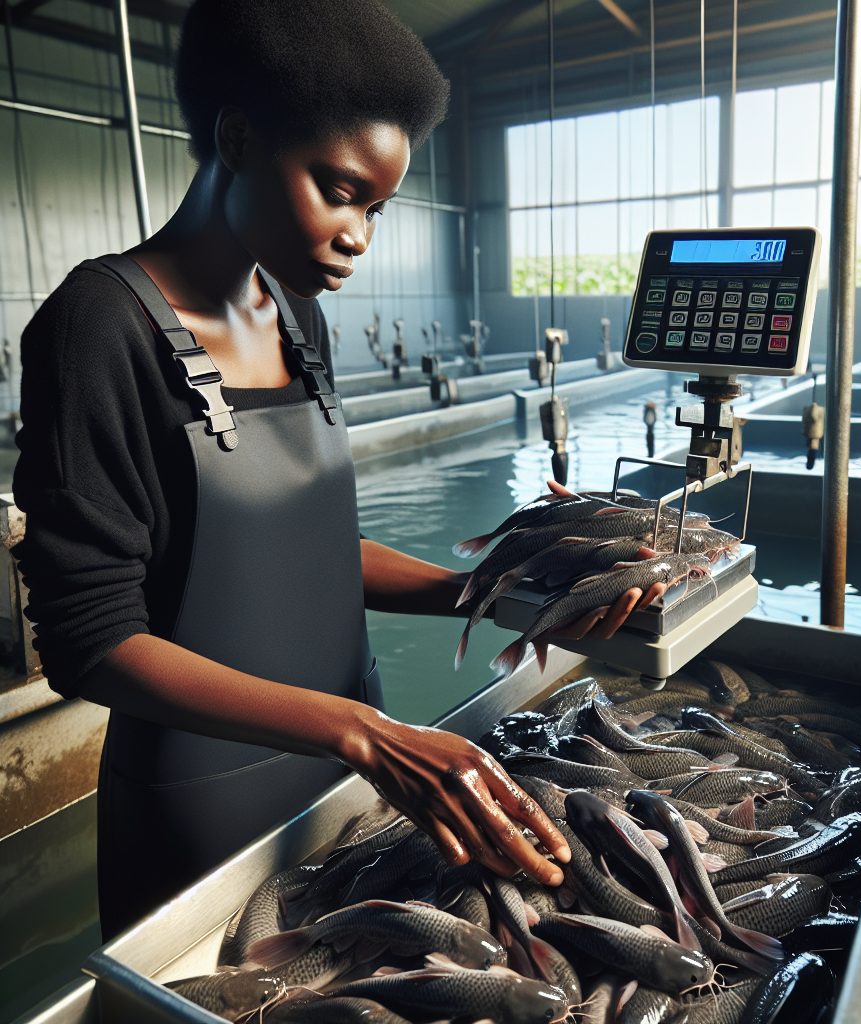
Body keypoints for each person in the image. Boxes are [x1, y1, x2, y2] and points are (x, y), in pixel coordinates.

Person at [14, 0, 665, 940]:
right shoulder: (97, 325)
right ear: (237, 138)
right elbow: (90, 640)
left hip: (358, 770)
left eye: (377, 207)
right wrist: (362, 732)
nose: (361, 233)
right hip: (202, 803)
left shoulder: (295, 317)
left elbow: (308, 550)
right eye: (341, 189)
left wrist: (497, 590)